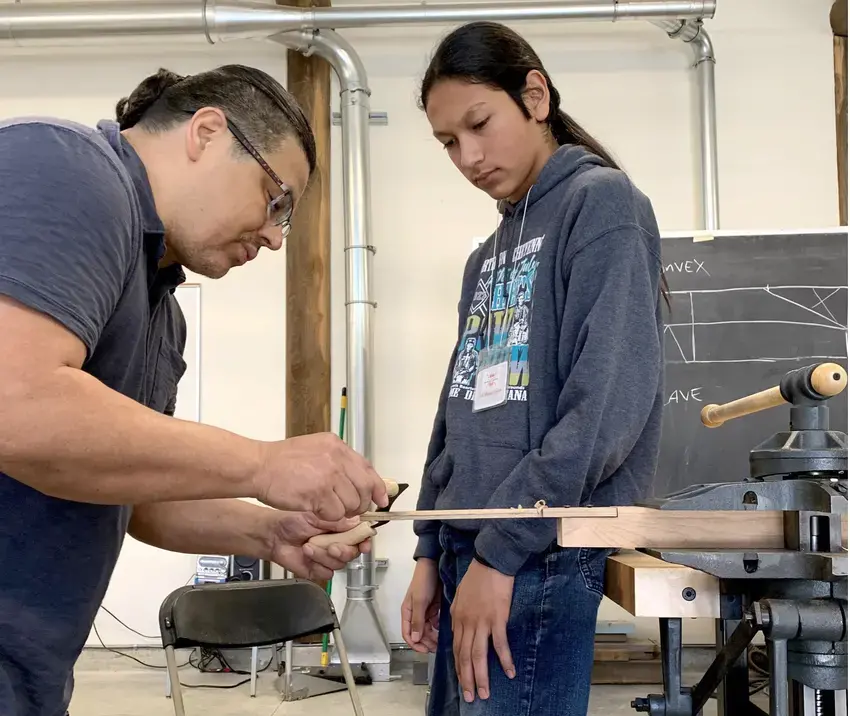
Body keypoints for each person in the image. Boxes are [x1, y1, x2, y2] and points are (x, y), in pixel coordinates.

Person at [0, 65, 388, 716]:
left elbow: (139, 496)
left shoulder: (162, 312)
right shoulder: (69, 170)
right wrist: (263, 462)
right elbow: (16, 400)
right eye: (276, 201)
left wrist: (271, 533)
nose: (274, 237)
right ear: (206, 132)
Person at [400, 21, 667, 716]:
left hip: (535, 552)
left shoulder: (602, 204)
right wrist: (429, 549)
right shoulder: (484, 255)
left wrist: (502, 552)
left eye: (479, 123)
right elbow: (455, 412)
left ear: (536, 96)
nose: (468, 155)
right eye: (448, 142)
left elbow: (605, 405)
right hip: (472, 545)